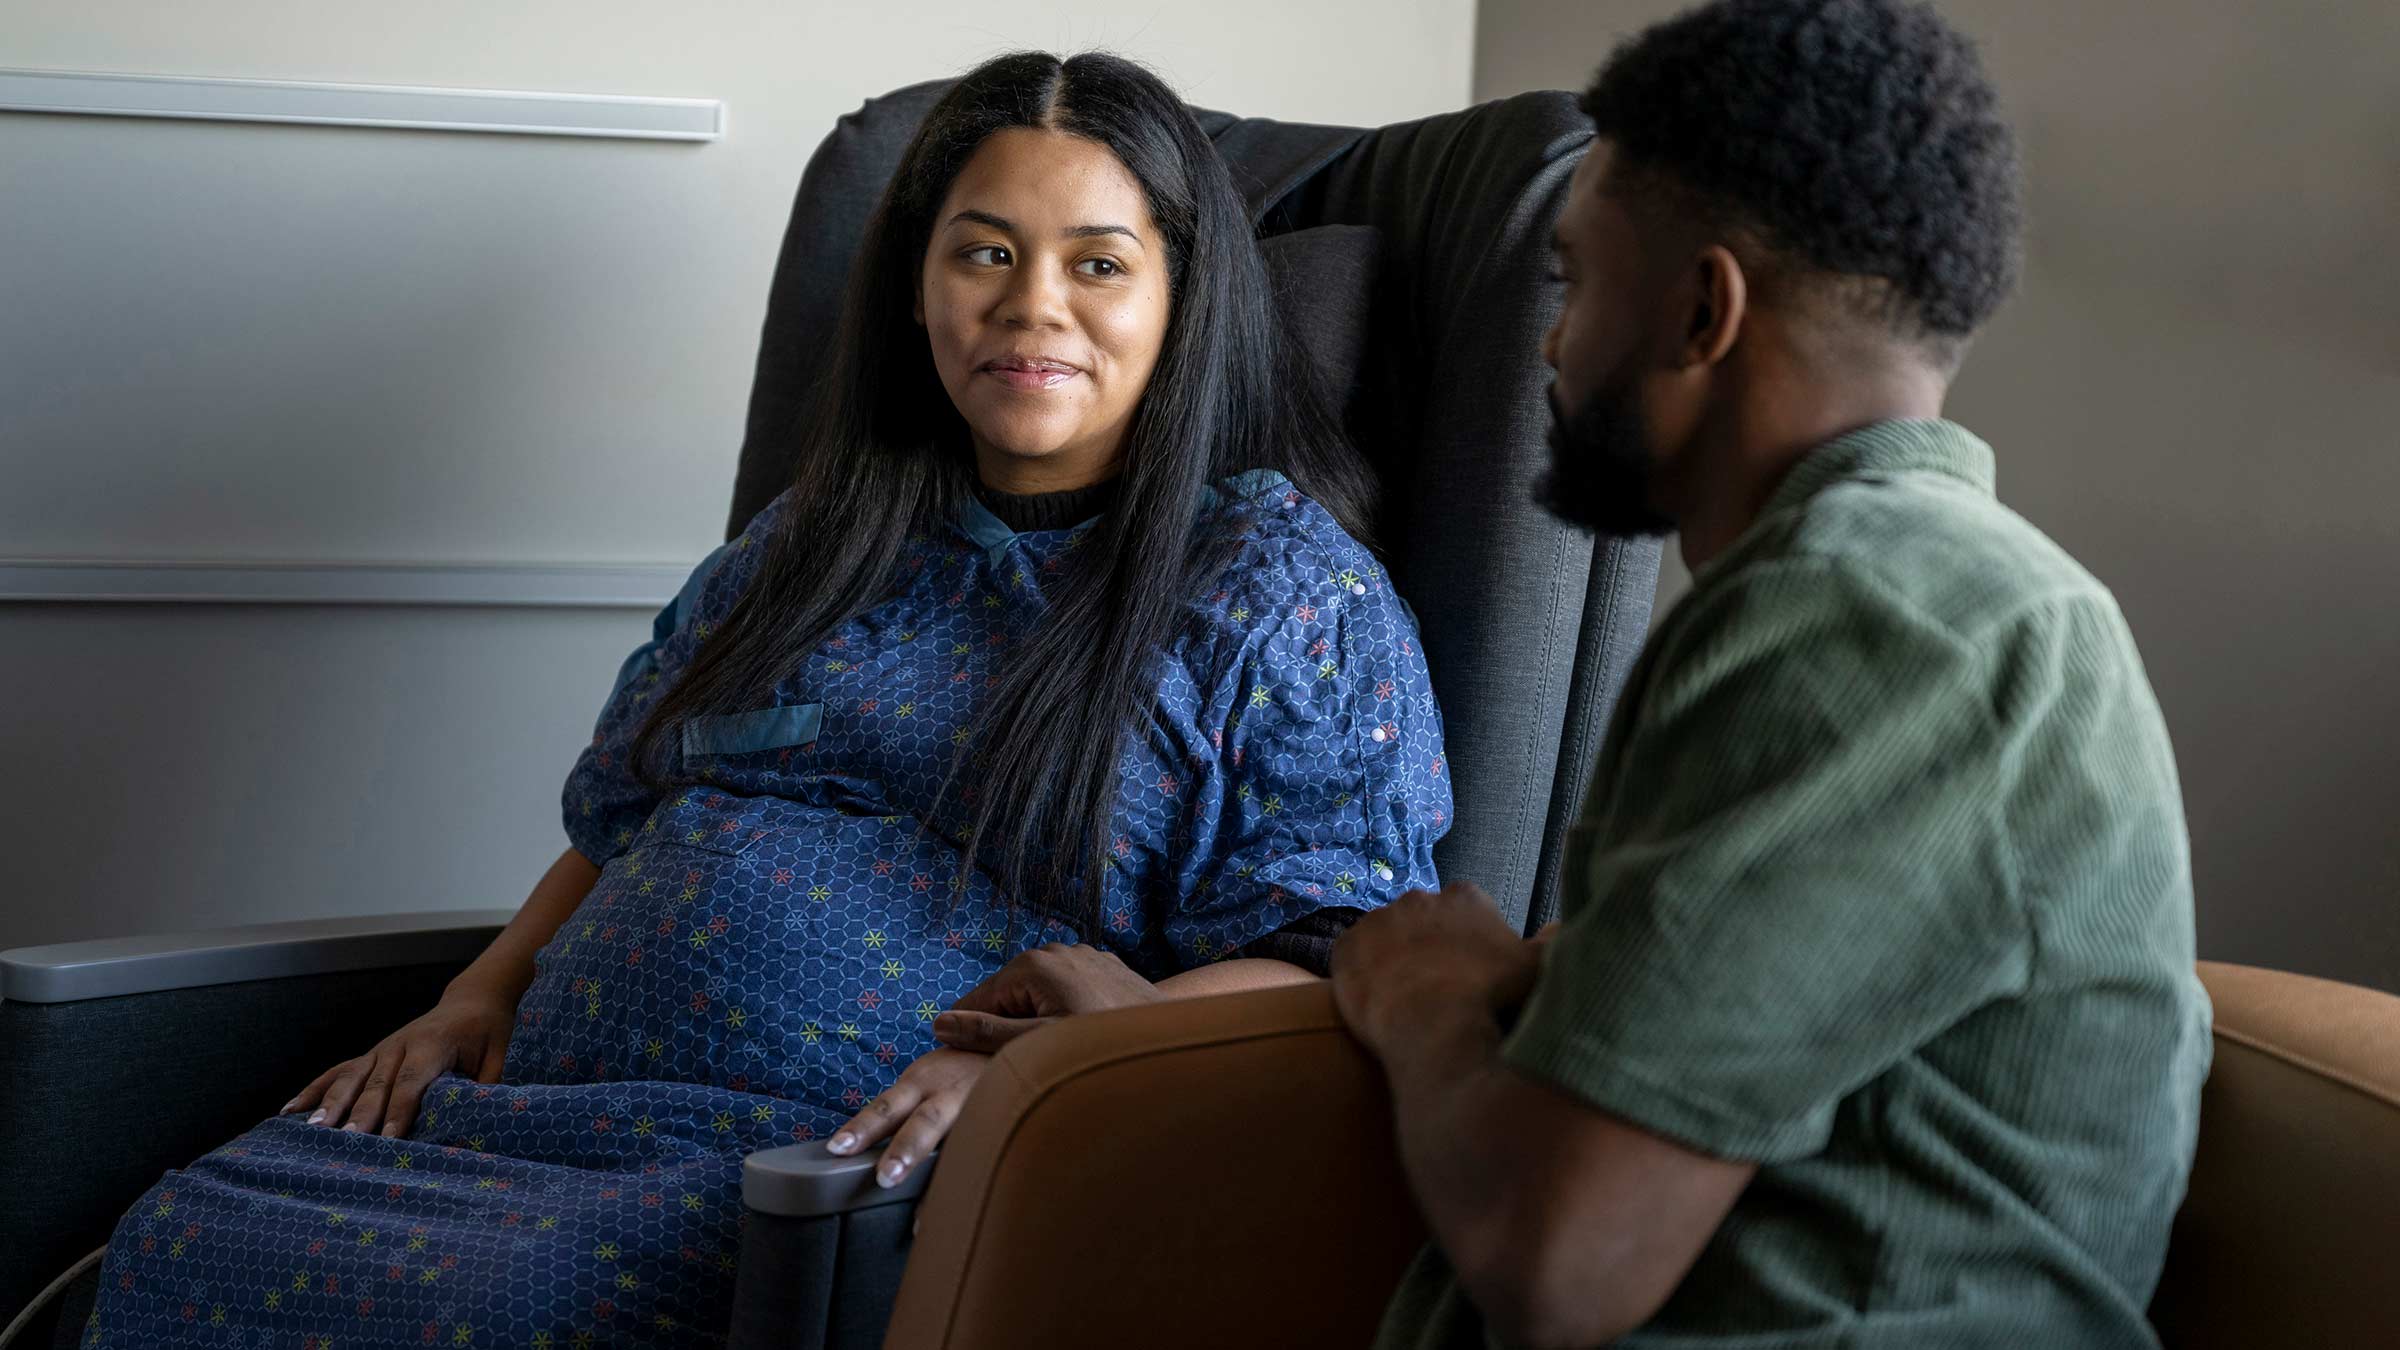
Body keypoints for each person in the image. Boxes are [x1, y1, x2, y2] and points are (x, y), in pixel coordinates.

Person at [84, 51, 1448, 1347]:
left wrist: (1043, 1084)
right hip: (531, 1120)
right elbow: (630, 814)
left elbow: (1333, 952)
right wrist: (474, 990)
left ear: (1184, 299)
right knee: (173, 1238)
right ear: (918, 291)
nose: (1034, 303)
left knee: (503, 1305)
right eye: (985, 251)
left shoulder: (1280, 592)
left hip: (831, 1167)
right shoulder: (818, 536)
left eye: (1099, 264)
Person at [1325, 1, 2213, 1347]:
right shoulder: (1883, 598)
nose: (1552, 346)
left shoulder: (1879, 618)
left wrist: (1424, 987)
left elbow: (1557, 1259)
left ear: (1700, 310)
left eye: (1573, 284)